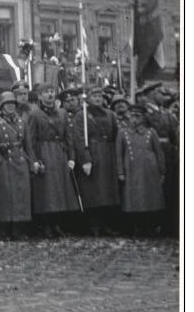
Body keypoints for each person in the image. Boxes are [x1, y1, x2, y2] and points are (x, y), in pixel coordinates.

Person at [24, 84, 80, 238]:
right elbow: (31, 139)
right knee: (46, 192)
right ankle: (46, 225)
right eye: (45, 92)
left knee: (60, 191)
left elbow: (69, 137)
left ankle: (57, 224)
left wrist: (71, 157)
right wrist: (34, 160)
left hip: (60, 153)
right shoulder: (35, 115)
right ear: (39, 96)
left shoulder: (62, 113)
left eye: (51, 91)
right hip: (44, 152)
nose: (49, 95)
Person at [0, 91, 32, 239]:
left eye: (12, 104)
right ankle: (3, 229)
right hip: (1, 161)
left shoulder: (21, 122)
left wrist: (32, 162)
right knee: (3, 196)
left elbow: (28, 145)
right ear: (1, 106)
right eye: (6, 104)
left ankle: (18, 227)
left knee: (20, 194)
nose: (10, 107)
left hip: (19, 160)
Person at [74, 86, 120, 236]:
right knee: (93, 191)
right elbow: (79, 138)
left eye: (100, 96)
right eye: (94, 96)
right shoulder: (82, 116)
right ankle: (93, 224)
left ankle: (106, 223)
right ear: (88, 99)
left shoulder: (110, 115)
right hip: (93, 153)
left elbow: (116, 135)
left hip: (108, 154)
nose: (98, 98)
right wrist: (85, 158)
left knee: (108, 191)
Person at [136, 82, 179, 237]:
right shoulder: (143, 114)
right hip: (150, 154)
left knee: (169, 189)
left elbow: (175, 136)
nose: (163, 96)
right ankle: (149, 224)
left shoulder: (167, 114)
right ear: (151, 94)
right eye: (160, 92)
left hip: (168, 155)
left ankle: (168, 224)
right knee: (152, 189)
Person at [116, 104, 165, 236]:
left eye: (138, 116)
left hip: (150, 170)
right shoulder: (123, 133)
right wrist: (120, 172)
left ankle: (150, 226)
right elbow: (119, 154)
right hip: (131, 170)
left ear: (143, 118)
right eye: (132, 116)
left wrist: (162, 170)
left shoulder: (151, 132)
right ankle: (135, 226)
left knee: (150, 198)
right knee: (133, 198)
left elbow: (159, 152)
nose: (134, 119)